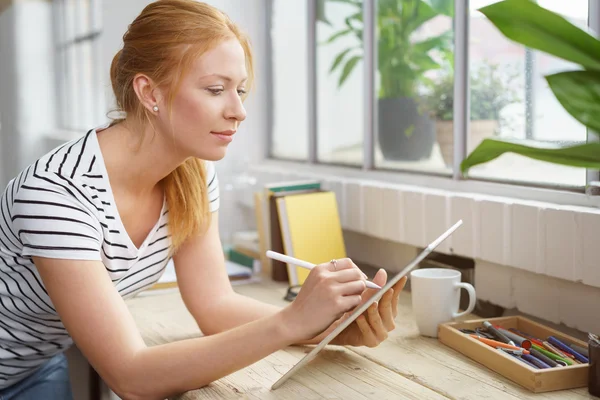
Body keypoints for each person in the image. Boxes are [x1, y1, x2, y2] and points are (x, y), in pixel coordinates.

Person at [0, 1, 407, 399]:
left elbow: (216, 306)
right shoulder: (56, 194)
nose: (239, 111)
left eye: (241, 90)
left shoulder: (192, 173)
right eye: (216, 89)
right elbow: (130, 376)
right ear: (149, 92)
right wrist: (291, 321)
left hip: (37, 365)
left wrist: (334, 329)